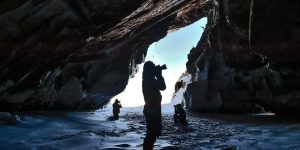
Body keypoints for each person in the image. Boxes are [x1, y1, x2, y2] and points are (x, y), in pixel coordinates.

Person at [142, 61, 166, 150]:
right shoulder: (150, 80)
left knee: (152, 133)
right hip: (153, 109)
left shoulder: (147, 79)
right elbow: (163, 87)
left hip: (151, 108)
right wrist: (159, 74)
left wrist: (156, 72)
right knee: (152, 133)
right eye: (152, 67)